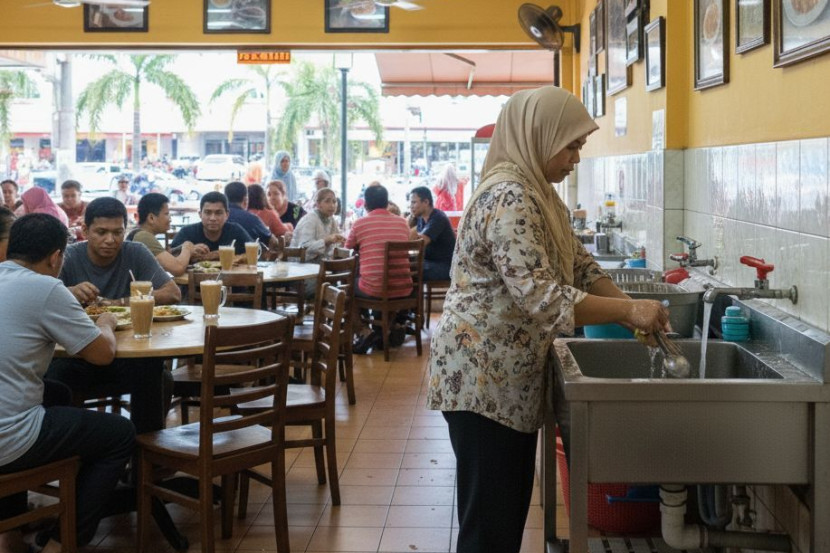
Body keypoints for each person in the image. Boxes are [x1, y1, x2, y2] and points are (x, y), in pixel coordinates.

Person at [426, 87, 669, 553]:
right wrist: (627, 311)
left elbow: (581, 266)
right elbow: (542, 297)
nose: (576, 158)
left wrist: (633, 311)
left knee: (503, 517)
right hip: (483, 381)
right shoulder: (510, 196)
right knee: (489, 528)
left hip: (504, 380)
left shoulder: (540, 194)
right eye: (570, 146)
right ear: (539, 136)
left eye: (580, 146)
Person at [0, 214, 135, 553]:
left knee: (57, 392)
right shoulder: (46, 287)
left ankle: (11, 536)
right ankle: (61, 542)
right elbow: (102, 354)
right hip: (8, 440)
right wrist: (106, 323)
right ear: (56, 257)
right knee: (119, 434)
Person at [345, 184, 412, 354]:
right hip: (403, 287)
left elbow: (347, 249)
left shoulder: (360, 223)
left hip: (375, 288)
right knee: (375, 281)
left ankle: (364, 331)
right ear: (387, 203)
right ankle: (385, 330)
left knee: (346, 289)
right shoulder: (403, 223)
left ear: (365, 204)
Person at [128, 192, 208, 276]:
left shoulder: (140, 234)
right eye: (166, 214)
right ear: (151, 218)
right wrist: (187, 247)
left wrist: (181, 249)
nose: (170, 219)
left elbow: (165, 259)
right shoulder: (143, 237)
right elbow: (178, 268)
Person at [170, 191, 251, 257]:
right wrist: (188, 250)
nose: (213, 218)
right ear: (200, 214)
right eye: (208, 212)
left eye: (218, 213)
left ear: (227, 215)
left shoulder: (235, 231)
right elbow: (170, 254)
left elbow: (254, 252)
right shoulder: (187, 232)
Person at [408, 186, 456, 282]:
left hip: (445, 267)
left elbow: (420, 242)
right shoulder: (421, 219)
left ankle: (409, 293)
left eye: (414, 202)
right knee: (404, 266)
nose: (411, 206)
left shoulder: (438, 218)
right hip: (430, 262)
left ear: (426, 202)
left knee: (407, 269)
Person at [224, 181, 283, 253]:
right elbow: (273, 242)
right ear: (245, 200)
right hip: (248, 258)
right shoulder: (251, 219)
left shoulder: (218, 218)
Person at [289, 187, 344, 263]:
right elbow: (304, 249)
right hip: (298, 265)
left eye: (334, 202)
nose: (332, 205)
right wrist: (326, 241)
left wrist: (341, 241)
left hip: (319, 265)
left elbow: (336, 245)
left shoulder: (331, 220)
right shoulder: (310, 219)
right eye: (327, 201)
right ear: (318, 204)